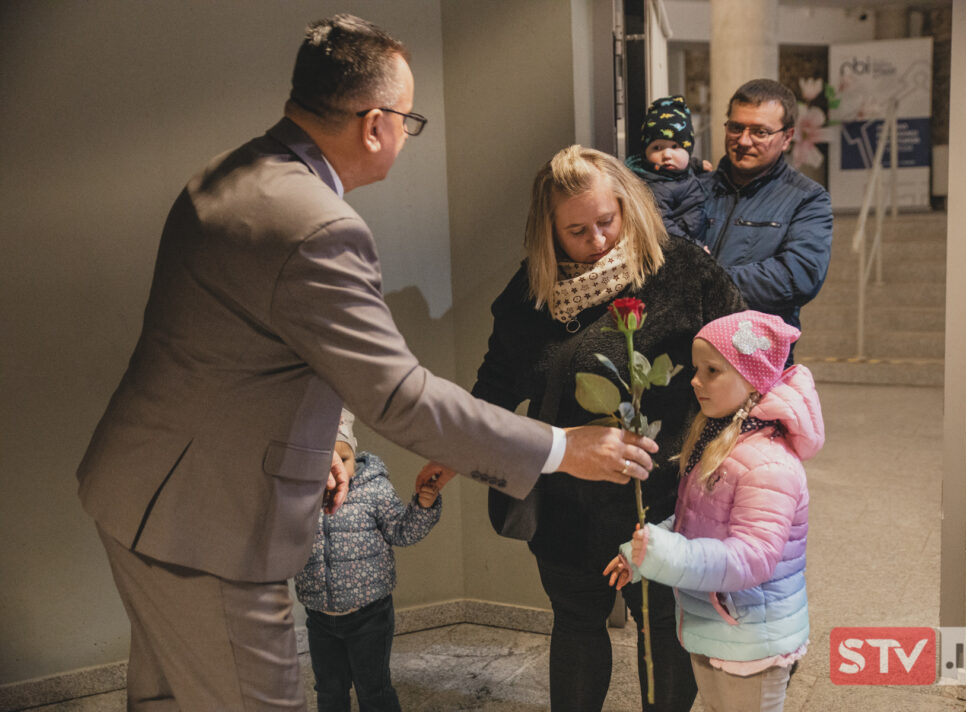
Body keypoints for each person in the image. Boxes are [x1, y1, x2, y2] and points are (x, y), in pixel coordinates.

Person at [76, 15, 659, 710]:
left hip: (139, 485)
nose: (406, 139)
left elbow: (245, 355)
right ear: (376, 123)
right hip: (212, 526)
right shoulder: (321, 226)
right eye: (410, 123)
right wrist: (562, 447)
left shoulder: (228, 175)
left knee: (169, 698)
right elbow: (400, 397)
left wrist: (326, 439)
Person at [471, 145, 746, 711]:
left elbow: (749, 360)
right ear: (548, 232)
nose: (598, 241)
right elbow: (490, 397)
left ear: (627, 206)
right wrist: (453, 449)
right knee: (575, 621)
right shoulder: (530, 296)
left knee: (663, 632)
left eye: (606, 221)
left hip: (668, 507)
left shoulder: (680, 270)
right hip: (568, 509)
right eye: (577, 231)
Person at [604, 310, 824, 712]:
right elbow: (695, 526)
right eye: (695, 368)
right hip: (717, 625)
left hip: (752, 638)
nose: (695, 380)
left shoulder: (767, 464)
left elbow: (753, 558)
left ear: (752, 378)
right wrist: (641, 553)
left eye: (712, 370)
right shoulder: (720, 441)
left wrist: (663, 555)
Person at [295, 410, 447, 712]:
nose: (336, 469)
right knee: (329, 690)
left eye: (344, 459)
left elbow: (401, 532)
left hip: (369, 615)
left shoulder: (374, 488)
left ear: (355, 456)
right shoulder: (300, 495)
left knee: (374, 690)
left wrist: (423, 505)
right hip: (320, 616)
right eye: (325, 461)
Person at [699, 79, 833, 360]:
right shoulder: (696, 190)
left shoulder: (807, 199)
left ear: (787, 137)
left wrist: (706, 279)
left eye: (760, 132)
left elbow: (798, 277)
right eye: (736, 127)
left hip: (758, 367)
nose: (744, 141)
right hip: (690, 361)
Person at [625, 95, 712, 245]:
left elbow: (685, 162)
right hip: (681, 249)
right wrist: (694, 248)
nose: (666, 155)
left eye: (675, 147)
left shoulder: (679, 169)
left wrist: (697, 165)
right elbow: (662, 226)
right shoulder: (654, 186)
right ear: (645, 153)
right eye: (657, 148)